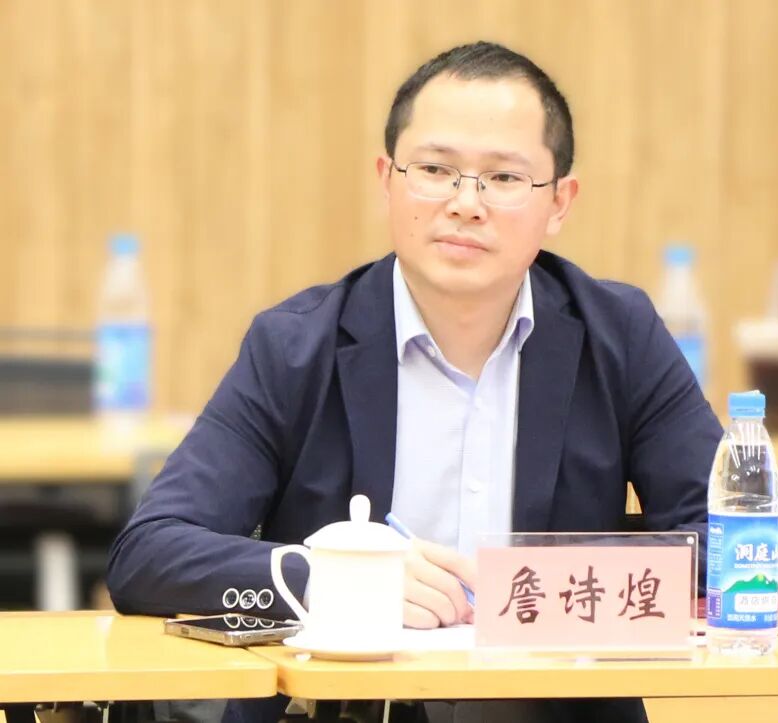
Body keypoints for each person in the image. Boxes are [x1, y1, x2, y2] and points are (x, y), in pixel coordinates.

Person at [107, 41, 722, 723]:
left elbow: (739, 550)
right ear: (387, 180)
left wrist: (529, 593)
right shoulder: (295, 347)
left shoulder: (621, 337)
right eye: (434, 170)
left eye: (505, 177)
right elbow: (148, 553)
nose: (466, 203)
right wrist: (338, 580)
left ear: (559, 202)